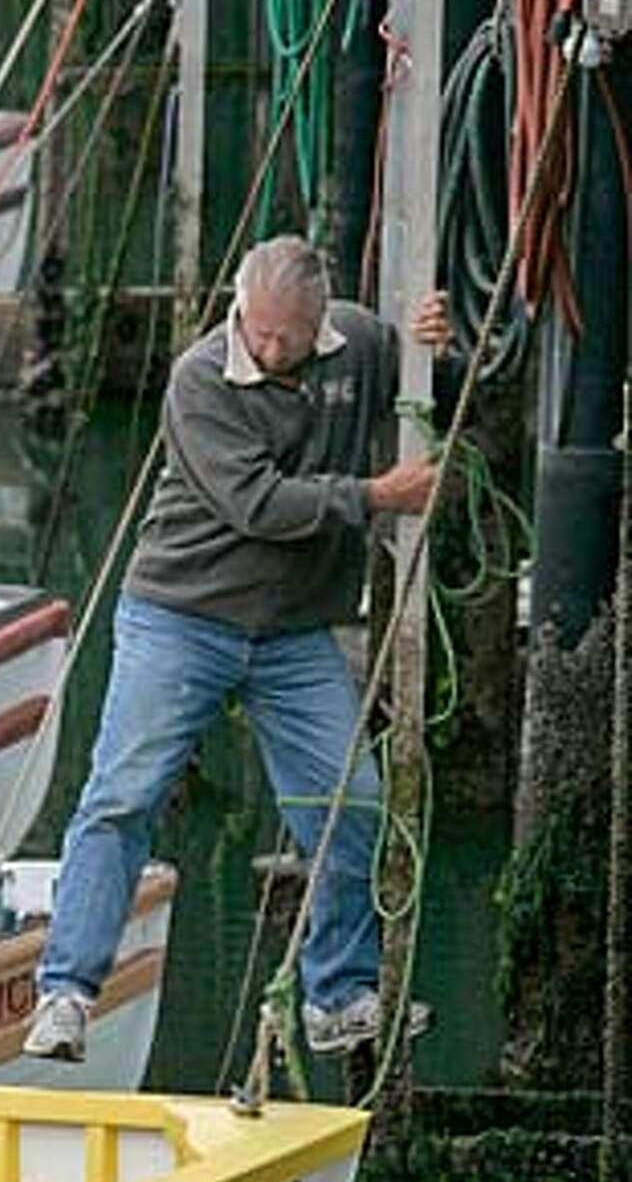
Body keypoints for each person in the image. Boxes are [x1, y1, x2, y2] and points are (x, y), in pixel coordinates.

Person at [23, 233, 452, 1063]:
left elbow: (431, 383)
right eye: (257, 330)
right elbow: (259, 504)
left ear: (322, 322)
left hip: (291, 632)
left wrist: (442, 336)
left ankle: (338, 994)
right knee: (121, 798)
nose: (268, 348)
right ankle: (66, 990)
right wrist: (376, 496)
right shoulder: (201, 378)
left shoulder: (359, 343)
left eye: (287, 336)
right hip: (181, 614)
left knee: (352, 802)